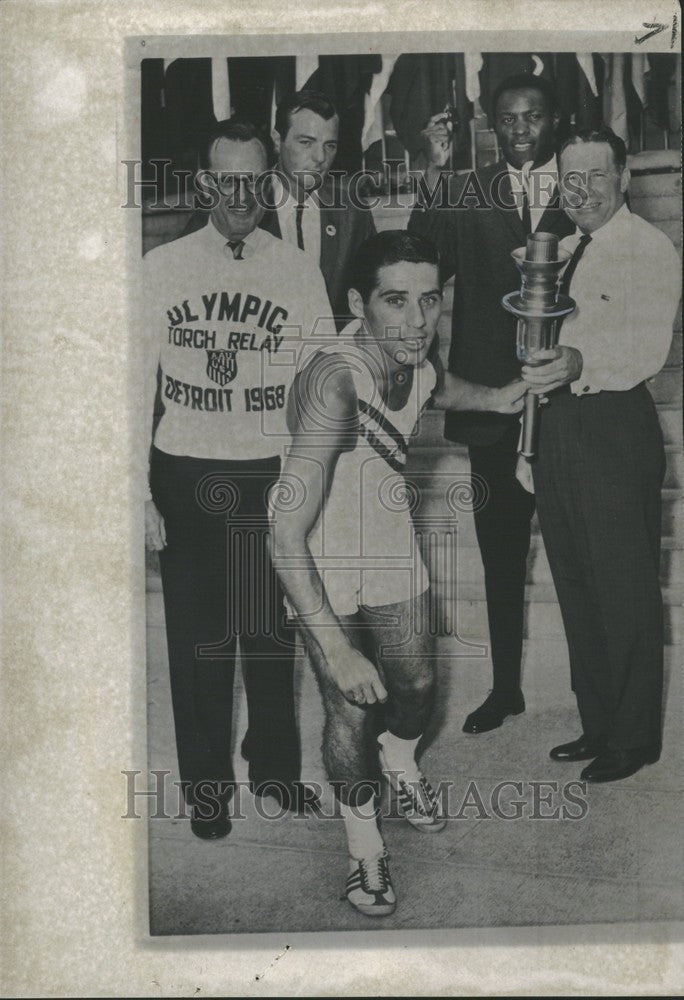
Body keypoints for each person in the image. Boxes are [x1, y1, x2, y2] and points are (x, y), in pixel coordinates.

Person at [269, 230, 527, 915]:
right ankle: (364, 853)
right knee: (349, 709)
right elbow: (283, 533)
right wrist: (334, 646)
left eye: (429, 301)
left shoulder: (415, 351)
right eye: (395, 302)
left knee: (416, 683)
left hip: (386, 541)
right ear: (358, 303)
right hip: (318, 559)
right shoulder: (332, 381)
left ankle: (402, 759)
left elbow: (440, 387)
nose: (415, 321)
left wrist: (505, 396)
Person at [143, 119, 333, 838]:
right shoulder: (163, 268)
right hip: (185, 473)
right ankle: (206, 793)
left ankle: (278, 774)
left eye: (255, 180)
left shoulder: (295, 269)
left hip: (265, 475)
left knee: (267, 636)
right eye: (227, 181)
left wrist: (306, 484)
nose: (242, 195)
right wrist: (139, 493)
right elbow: (134, 385)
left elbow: (320, 387)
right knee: (199, 644)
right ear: (204, 183)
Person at [408, 73, 575, 735]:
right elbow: (420, 258)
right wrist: (436, 171)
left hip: (567, 401)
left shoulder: (581, 185)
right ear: (492, 126)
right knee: (502, 557)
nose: (520, 130)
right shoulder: (469, 190)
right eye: (507, 120)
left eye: (532, 117)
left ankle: (599, 698)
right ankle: (506, 689)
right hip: (493, 408)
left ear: (554, 119)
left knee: (576, 554)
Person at [519, 127, 681, 783]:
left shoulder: (649, 248)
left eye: (594, 176)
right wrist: (530, 443)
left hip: (615, 428)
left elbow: (645, 350)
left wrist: (579, 360)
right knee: (579, 586)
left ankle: (636, 738)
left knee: (625, 591)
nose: (579, 191)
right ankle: (600, 722)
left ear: (623, 179)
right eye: (569, 178)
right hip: (559, 428)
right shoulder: (561, 250)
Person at [264, 88, 376, 325]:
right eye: (306, 142)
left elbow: (372, 294)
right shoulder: (243, 205)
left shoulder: (352, 212)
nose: (320, 158)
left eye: (330, 146)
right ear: (277, 140)